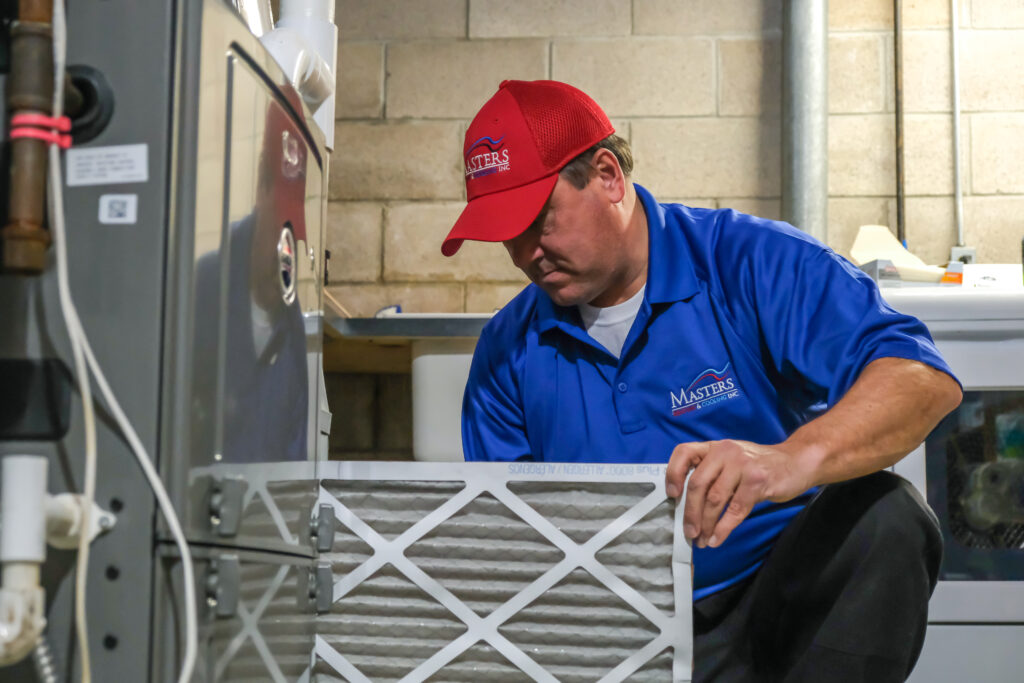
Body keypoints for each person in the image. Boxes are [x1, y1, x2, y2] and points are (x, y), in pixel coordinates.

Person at [441, 79, 962, 682]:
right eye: (507, 233)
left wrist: (790, 459)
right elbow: (507, 545)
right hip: (615, 627)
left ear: (608, 175)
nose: (527, 252)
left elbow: (920, 377)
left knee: (889, 517)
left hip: (776, 601)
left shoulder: (747, 262)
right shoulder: (506, 352)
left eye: (538, 220)